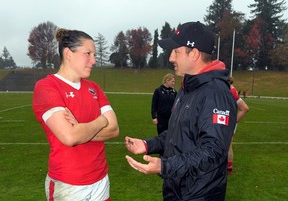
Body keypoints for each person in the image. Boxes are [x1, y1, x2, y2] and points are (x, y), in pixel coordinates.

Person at [125, 21, 237, 200]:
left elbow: (213, 151)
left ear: (193, 54)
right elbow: (179, 133)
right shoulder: (187, 87)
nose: (170, 58)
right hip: (176, 189)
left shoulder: (215, 93)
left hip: (198, 194)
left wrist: (165, 166)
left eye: (176, 51)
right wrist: (148, 145)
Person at [32, 28, 119, 201]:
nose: (93, 61)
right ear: (68, 53)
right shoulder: (47, 87)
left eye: (94, 55)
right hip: (68, 184)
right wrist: (102, 120)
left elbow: (114, 130)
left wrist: (81, 128)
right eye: (88, 53)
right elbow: (70, 137)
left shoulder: (94, 88)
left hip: (101, 179)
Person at [228, 76, 249, 174]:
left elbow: (245, 108)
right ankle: (228, 168)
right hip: (225, 121)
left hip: (226, 122)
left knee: (227, 145)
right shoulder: (232, 90)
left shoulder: (231, 91)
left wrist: (233, 121)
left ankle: (228, 169)